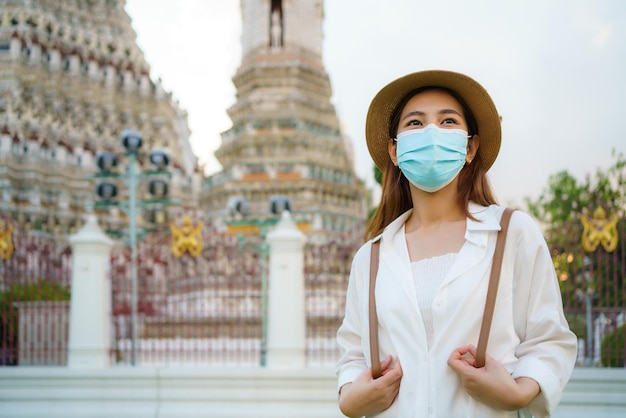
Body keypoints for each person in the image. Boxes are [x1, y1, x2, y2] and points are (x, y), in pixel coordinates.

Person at [336, 70, 577, 418]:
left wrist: (519, 392)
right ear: (394, 149)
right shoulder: (370, 257)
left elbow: (549, 339)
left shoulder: (511, 233)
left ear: (469, 146)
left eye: (447, 121)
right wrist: (351, 399)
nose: (431, 132)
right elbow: (352, 355)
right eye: (415, 124)